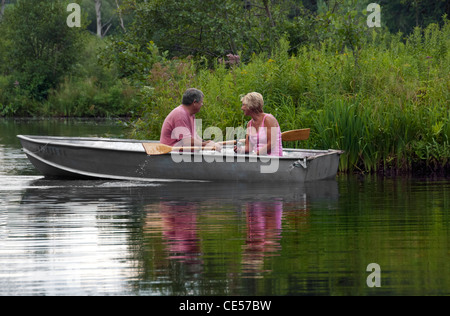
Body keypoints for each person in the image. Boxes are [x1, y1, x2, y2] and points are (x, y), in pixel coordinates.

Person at [236, 92, 283, 156]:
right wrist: (240, 150)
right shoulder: (249, 124)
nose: (242, 108)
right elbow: (248, 148)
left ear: (251, 105)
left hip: (273, 160)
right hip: (258, 159)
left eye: (243, 105)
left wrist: (255, 155)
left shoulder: (269, 119)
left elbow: (271, 144)